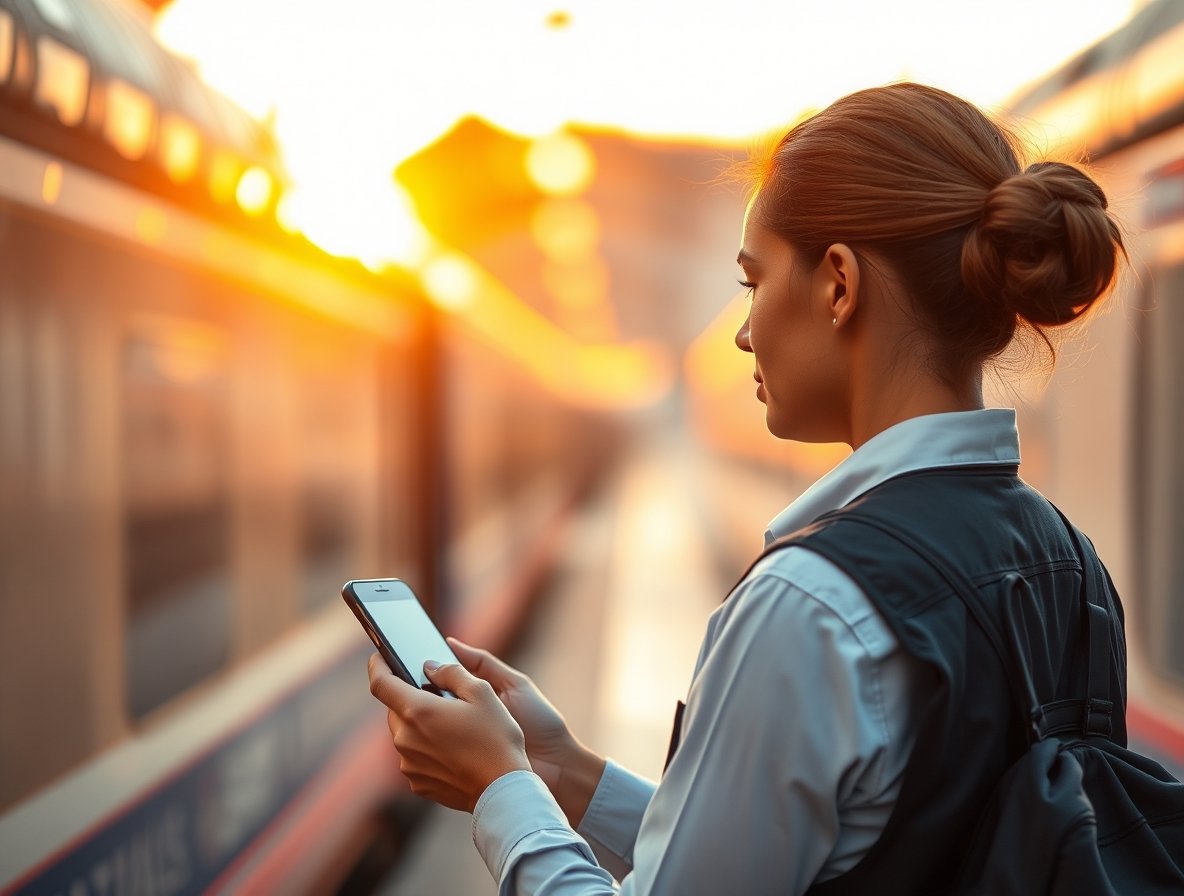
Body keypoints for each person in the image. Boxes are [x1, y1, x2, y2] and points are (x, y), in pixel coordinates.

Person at [366, 82, 1127, 894]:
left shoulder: (812, 604)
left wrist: (500, 793)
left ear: (838, 285)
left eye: (753, 281)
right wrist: (564, 773)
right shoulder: (1072, 568)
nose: (742, 329)